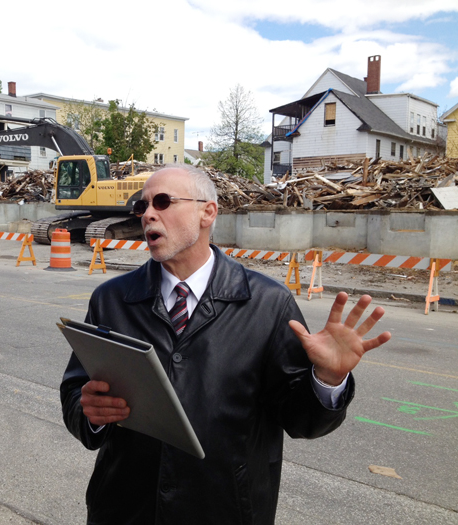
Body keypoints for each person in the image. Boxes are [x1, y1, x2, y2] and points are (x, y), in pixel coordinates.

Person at [60, 165, 391, 524]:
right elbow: (76, 393)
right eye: (142, 207)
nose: (148, 214)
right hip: (125, 509)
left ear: (208, 212)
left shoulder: (268, 304)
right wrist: (90, 414)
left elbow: (302, 422)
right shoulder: (112, 299)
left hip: (226, 510)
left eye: (163, 201)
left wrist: (327, 379)